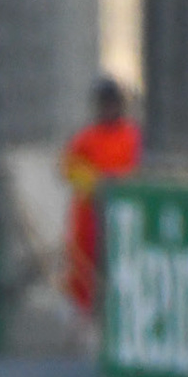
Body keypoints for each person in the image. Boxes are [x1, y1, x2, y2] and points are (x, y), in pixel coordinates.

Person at [63, 78, 142, 313]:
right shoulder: (87, 138)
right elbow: (69, 169)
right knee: (87, 271)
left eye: (112, 103)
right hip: (91, 218)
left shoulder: (132, 137)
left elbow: (138, 171)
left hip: (124, 216)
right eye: (104, 103)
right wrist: (95, 184)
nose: (108, 108)